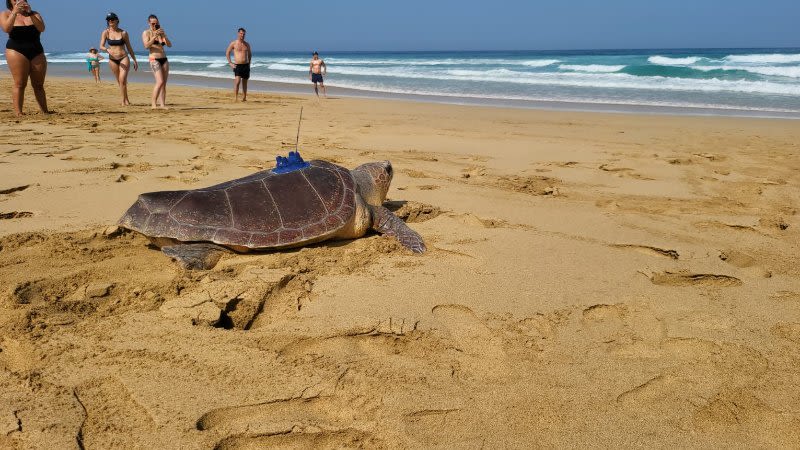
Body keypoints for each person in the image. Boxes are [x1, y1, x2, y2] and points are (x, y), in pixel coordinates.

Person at [1, 0, 48, 116]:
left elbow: (42, 28)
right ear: (10, 2)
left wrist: (30, 13)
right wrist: (15, 13)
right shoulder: (5, 14)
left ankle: (45, 111)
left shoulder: (34, 13)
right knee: (20, 83)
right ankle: (19, 112)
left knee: (38, 84)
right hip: (16, 50)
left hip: (36, 49)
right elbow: (6, 29)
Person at [99, 12, 138, 106]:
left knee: (122, 79)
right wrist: (107, 49)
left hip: (123, 58)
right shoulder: (106, 32)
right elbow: (101, 46)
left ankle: (123, 101)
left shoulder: (123, 33)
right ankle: (126, 99)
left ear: (117, 20)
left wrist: (134, 60)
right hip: (112, 60)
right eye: (108, 20)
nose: (110, 21)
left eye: (112, 19)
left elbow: (129, 47)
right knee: (120, 81)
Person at [142, 14, 171, 109]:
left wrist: (164, 36)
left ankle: (162, 104)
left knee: (164, 83)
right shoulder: (146, 33)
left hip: (164, 58)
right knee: (160, 81)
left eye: (156, 23)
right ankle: (153, 104)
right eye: (153, 23)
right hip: (154, 59)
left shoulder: (161, 32)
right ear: (149, 23)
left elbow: (169, 45)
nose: (155, 25)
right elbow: (146, 46)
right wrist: (154, 36)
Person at [225, 27, 251, 102]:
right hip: (238, 65)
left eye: (244, 34)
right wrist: (230, 63)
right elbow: (227, 52)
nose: (242, 35)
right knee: (237, 81)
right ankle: (235, 98)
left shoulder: (247, 44)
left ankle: (244, 98)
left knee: (245, 83)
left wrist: (249, 64)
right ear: (238, 33)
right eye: (241, 33)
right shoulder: (234, 43)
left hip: (246, 65)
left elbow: (249, 54)